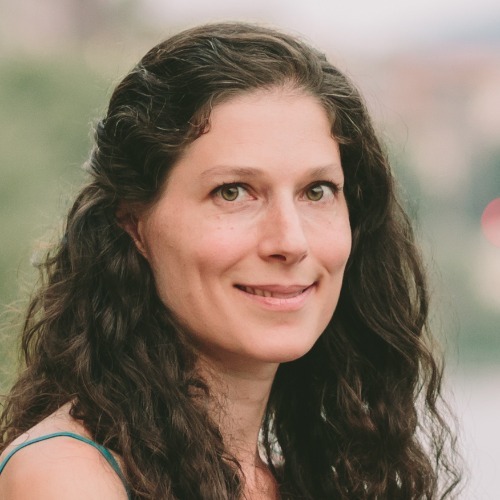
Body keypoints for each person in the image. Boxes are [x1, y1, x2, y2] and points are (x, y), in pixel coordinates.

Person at [0, 22, 461, 499]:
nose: (290, 241)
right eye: (233, 192)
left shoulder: (302, 481)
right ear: (134, 225)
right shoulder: (67, 477)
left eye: (316, 191)